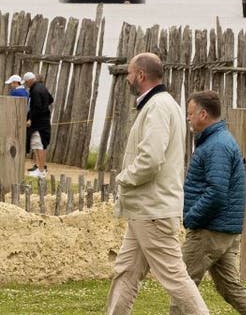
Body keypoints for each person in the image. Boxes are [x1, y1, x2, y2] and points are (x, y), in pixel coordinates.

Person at [105, 52, 209, 315]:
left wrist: (124, 177)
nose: (127, 78)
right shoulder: (161, 105)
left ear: (140, 75)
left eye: (129, 73)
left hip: (152, 209)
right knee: (126, 272)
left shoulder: (159, 107)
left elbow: (151, 159)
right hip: (146, 209)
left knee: (174, 277)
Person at [174, 90, 246, 315]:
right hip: (222, 229)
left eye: (190, 113)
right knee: (229, 288)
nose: (187, 118)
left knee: (182, 286)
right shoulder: (217, 141)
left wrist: (191, 217)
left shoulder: (216, 145)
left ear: (203, 114)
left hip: (209, 230)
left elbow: (216, 191)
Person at [23, 71, 53, 179]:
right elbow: (51, 99)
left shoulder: (35, 90)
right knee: (41, 145)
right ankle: (41, 169)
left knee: (38, 145)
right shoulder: (42, 87)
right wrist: (45, 108)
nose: (26, 85)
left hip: (38, 123)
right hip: (44, 120)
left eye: (26, 83)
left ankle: (41, 171)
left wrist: (30, 119)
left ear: (30, 81)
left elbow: (36, 107)